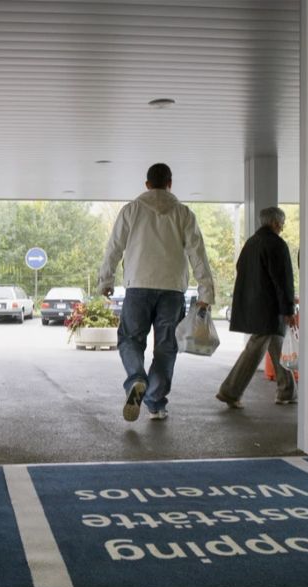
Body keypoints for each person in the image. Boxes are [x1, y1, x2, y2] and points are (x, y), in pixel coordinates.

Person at [99, 163, 215, 422]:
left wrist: (106, 280)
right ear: (170, 183)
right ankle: (155, 402)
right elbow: (198, 254)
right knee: (166, 347)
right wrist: (205, 292)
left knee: (130, 340)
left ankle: (137, 379)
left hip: (138, 286)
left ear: (147, 184)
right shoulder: (184, 214)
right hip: (172, 290)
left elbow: (114, 248)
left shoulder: (131, 210)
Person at [216, 206, 297, 409]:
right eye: (282, 223)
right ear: (275, 223)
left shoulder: (251, 243)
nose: (283, 227)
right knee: (255, 349)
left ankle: (286, 390)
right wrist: (288, 309)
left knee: (278, 345)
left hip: (255, 305)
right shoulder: (276, 244)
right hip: (270, 308)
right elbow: (283, 280)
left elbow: (241, 269)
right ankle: (230, 391)